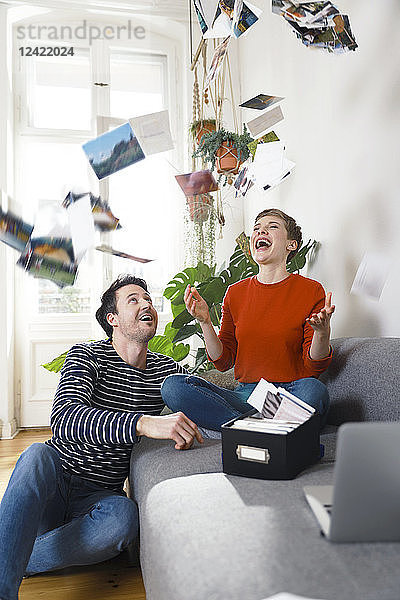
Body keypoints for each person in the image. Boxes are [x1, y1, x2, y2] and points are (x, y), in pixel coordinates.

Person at [0, 275, 203, 600]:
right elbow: (65, 418)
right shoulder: (86, 356)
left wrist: (206, 322)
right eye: (133, 300)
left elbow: (206, 394)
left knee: (123, 521)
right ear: (113, 320)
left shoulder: (165, 370)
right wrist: (142, 423)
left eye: (148, 299)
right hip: (55, 483)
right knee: (37, 456)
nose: (146, 304)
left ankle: (18, 554)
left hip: (98, 497)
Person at [161, 208, 335, 431]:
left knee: (314, 391)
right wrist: (205, 321)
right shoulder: (235, 293)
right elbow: (223, 361)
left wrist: (322, 332)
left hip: (293, 392)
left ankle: (244, 428)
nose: (260, 231)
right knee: (173, 387)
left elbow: (314, 366)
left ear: (291, 245)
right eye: (256, 228)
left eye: (272, 226)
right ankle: (264, 428)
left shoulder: (310, 290)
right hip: (249, 396)